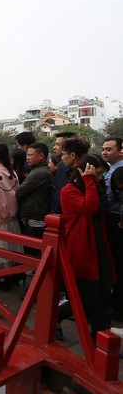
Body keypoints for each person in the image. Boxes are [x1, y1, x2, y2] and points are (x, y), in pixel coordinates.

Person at [56, 154, 113, 343]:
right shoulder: (68, 191)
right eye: (96, 174)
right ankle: (55, 316)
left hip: (99, 247)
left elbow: (100, 208)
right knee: (87, 298)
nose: (99, 178)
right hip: (81, 248)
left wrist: (93, 184)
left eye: (101, 174)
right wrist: (89, 181)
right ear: (85, 171)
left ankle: (97, 340)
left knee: (104, 296)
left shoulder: (94, 187)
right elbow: (89, 207)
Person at [0, 143, 23, 290]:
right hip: (12, 218)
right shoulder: (12, 173)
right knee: (12, 250)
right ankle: (13, 276)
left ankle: (2, 279)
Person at [101, 136, 123, 317]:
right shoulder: (111, 169)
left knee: (117, 262)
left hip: (117, 220)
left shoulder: (120, 170)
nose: (104, 152)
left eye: (109, 149)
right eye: (103, 149)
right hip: (112, 219)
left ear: (120, 151)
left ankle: (118, 305)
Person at [16, 143, 52, 240]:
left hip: (35, 220)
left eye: (31, 155)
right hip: (35, 217)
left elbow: (19, 192)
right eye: (27, 155)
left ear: (41, 156)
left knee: (33, 251)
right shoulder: (39, 170)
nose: (27, 158)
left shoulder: (38, 173)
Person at [51, 131, 78, 214]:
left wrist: (55, 213)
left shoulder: (65, 164)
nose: (54, 147)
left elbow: (59, 191)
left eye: (58, 144)